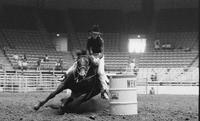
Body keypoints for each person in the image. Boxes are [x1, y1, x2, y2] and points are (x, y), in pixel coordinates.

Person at [65, 25, 109, 100]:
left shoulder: (101, 40)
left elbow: (102, 52)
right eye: (94, 34)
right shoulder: (89, 39)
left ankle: (104, 90)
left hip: (99, 57)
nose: (95, 35)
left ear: (98, 34)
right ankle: (66, 75)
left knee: (100, 72)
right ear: (91, 34)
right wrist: (90, 56)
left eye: (96, 34)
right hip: (91, 55)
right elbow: (88, 49)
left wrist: (97, 58)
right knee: (78, 64)